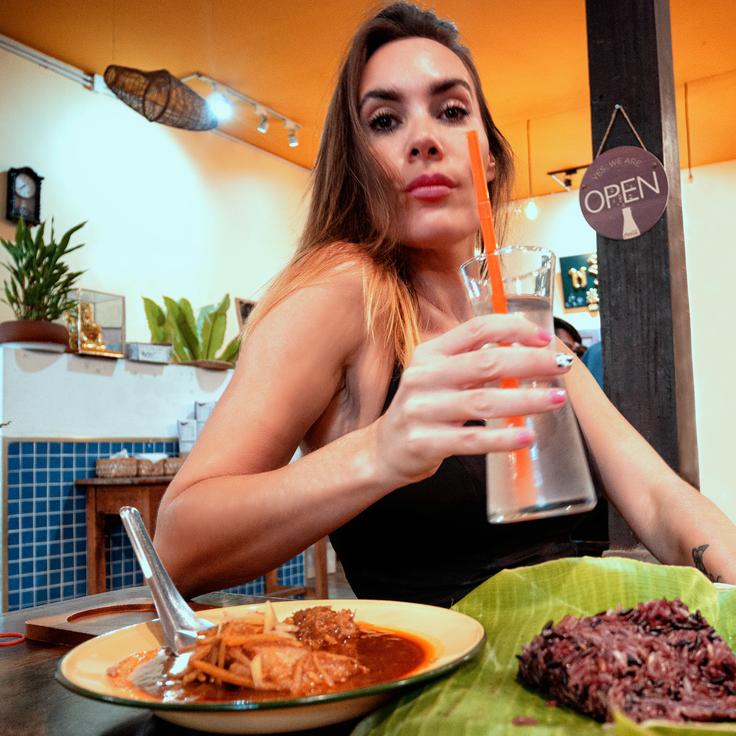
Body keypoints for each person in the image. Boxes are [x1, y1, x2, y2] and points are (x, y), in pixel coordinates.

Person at [154, 2, 736, 606]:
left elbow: (659, 499)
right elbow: (178, 544)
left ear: (487, 155)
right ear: (357, 163)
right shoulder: (345, 291)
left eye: (452, 111)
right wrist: (380, 452)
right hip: (436, 692)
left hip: (576, 664)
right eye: (384, 120)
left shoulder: (514, 315)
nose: (423, 139)